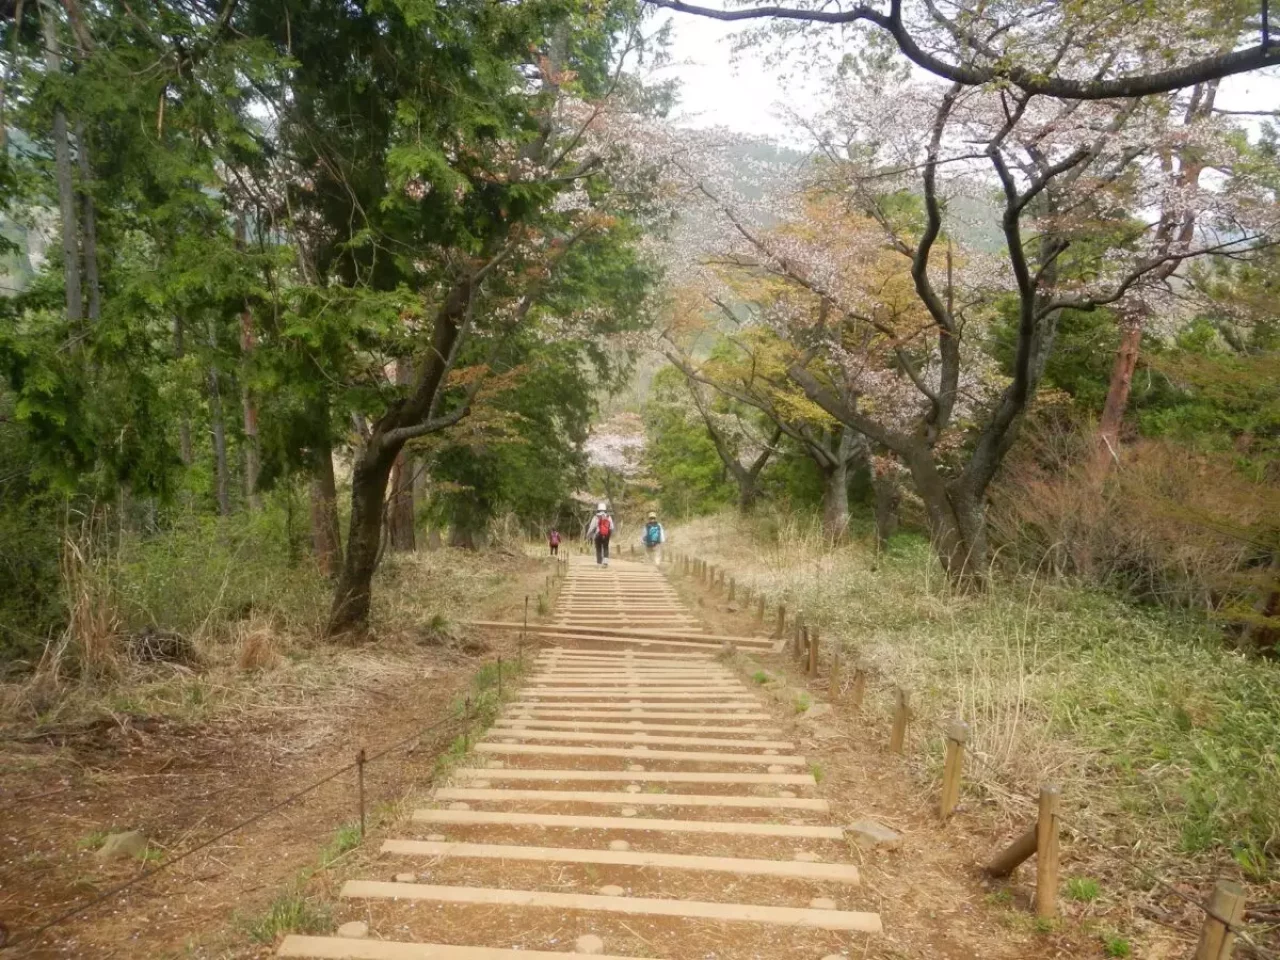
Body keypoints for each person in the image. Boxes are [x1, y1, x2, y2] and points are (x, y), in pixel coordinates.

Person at [585, 502, 614, 566]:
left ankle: (599, 563)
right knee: (606, 547)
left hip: (598, 534)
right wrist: (609, 534)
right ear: (605, 509)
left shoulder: (596, 517)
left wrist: (588, 535)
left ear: (598, 509)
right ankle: (605, 562)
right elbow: (611, 527)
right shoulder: (609, 517)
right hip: (607, 534)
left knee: (598, 548)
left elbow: (591, 528)